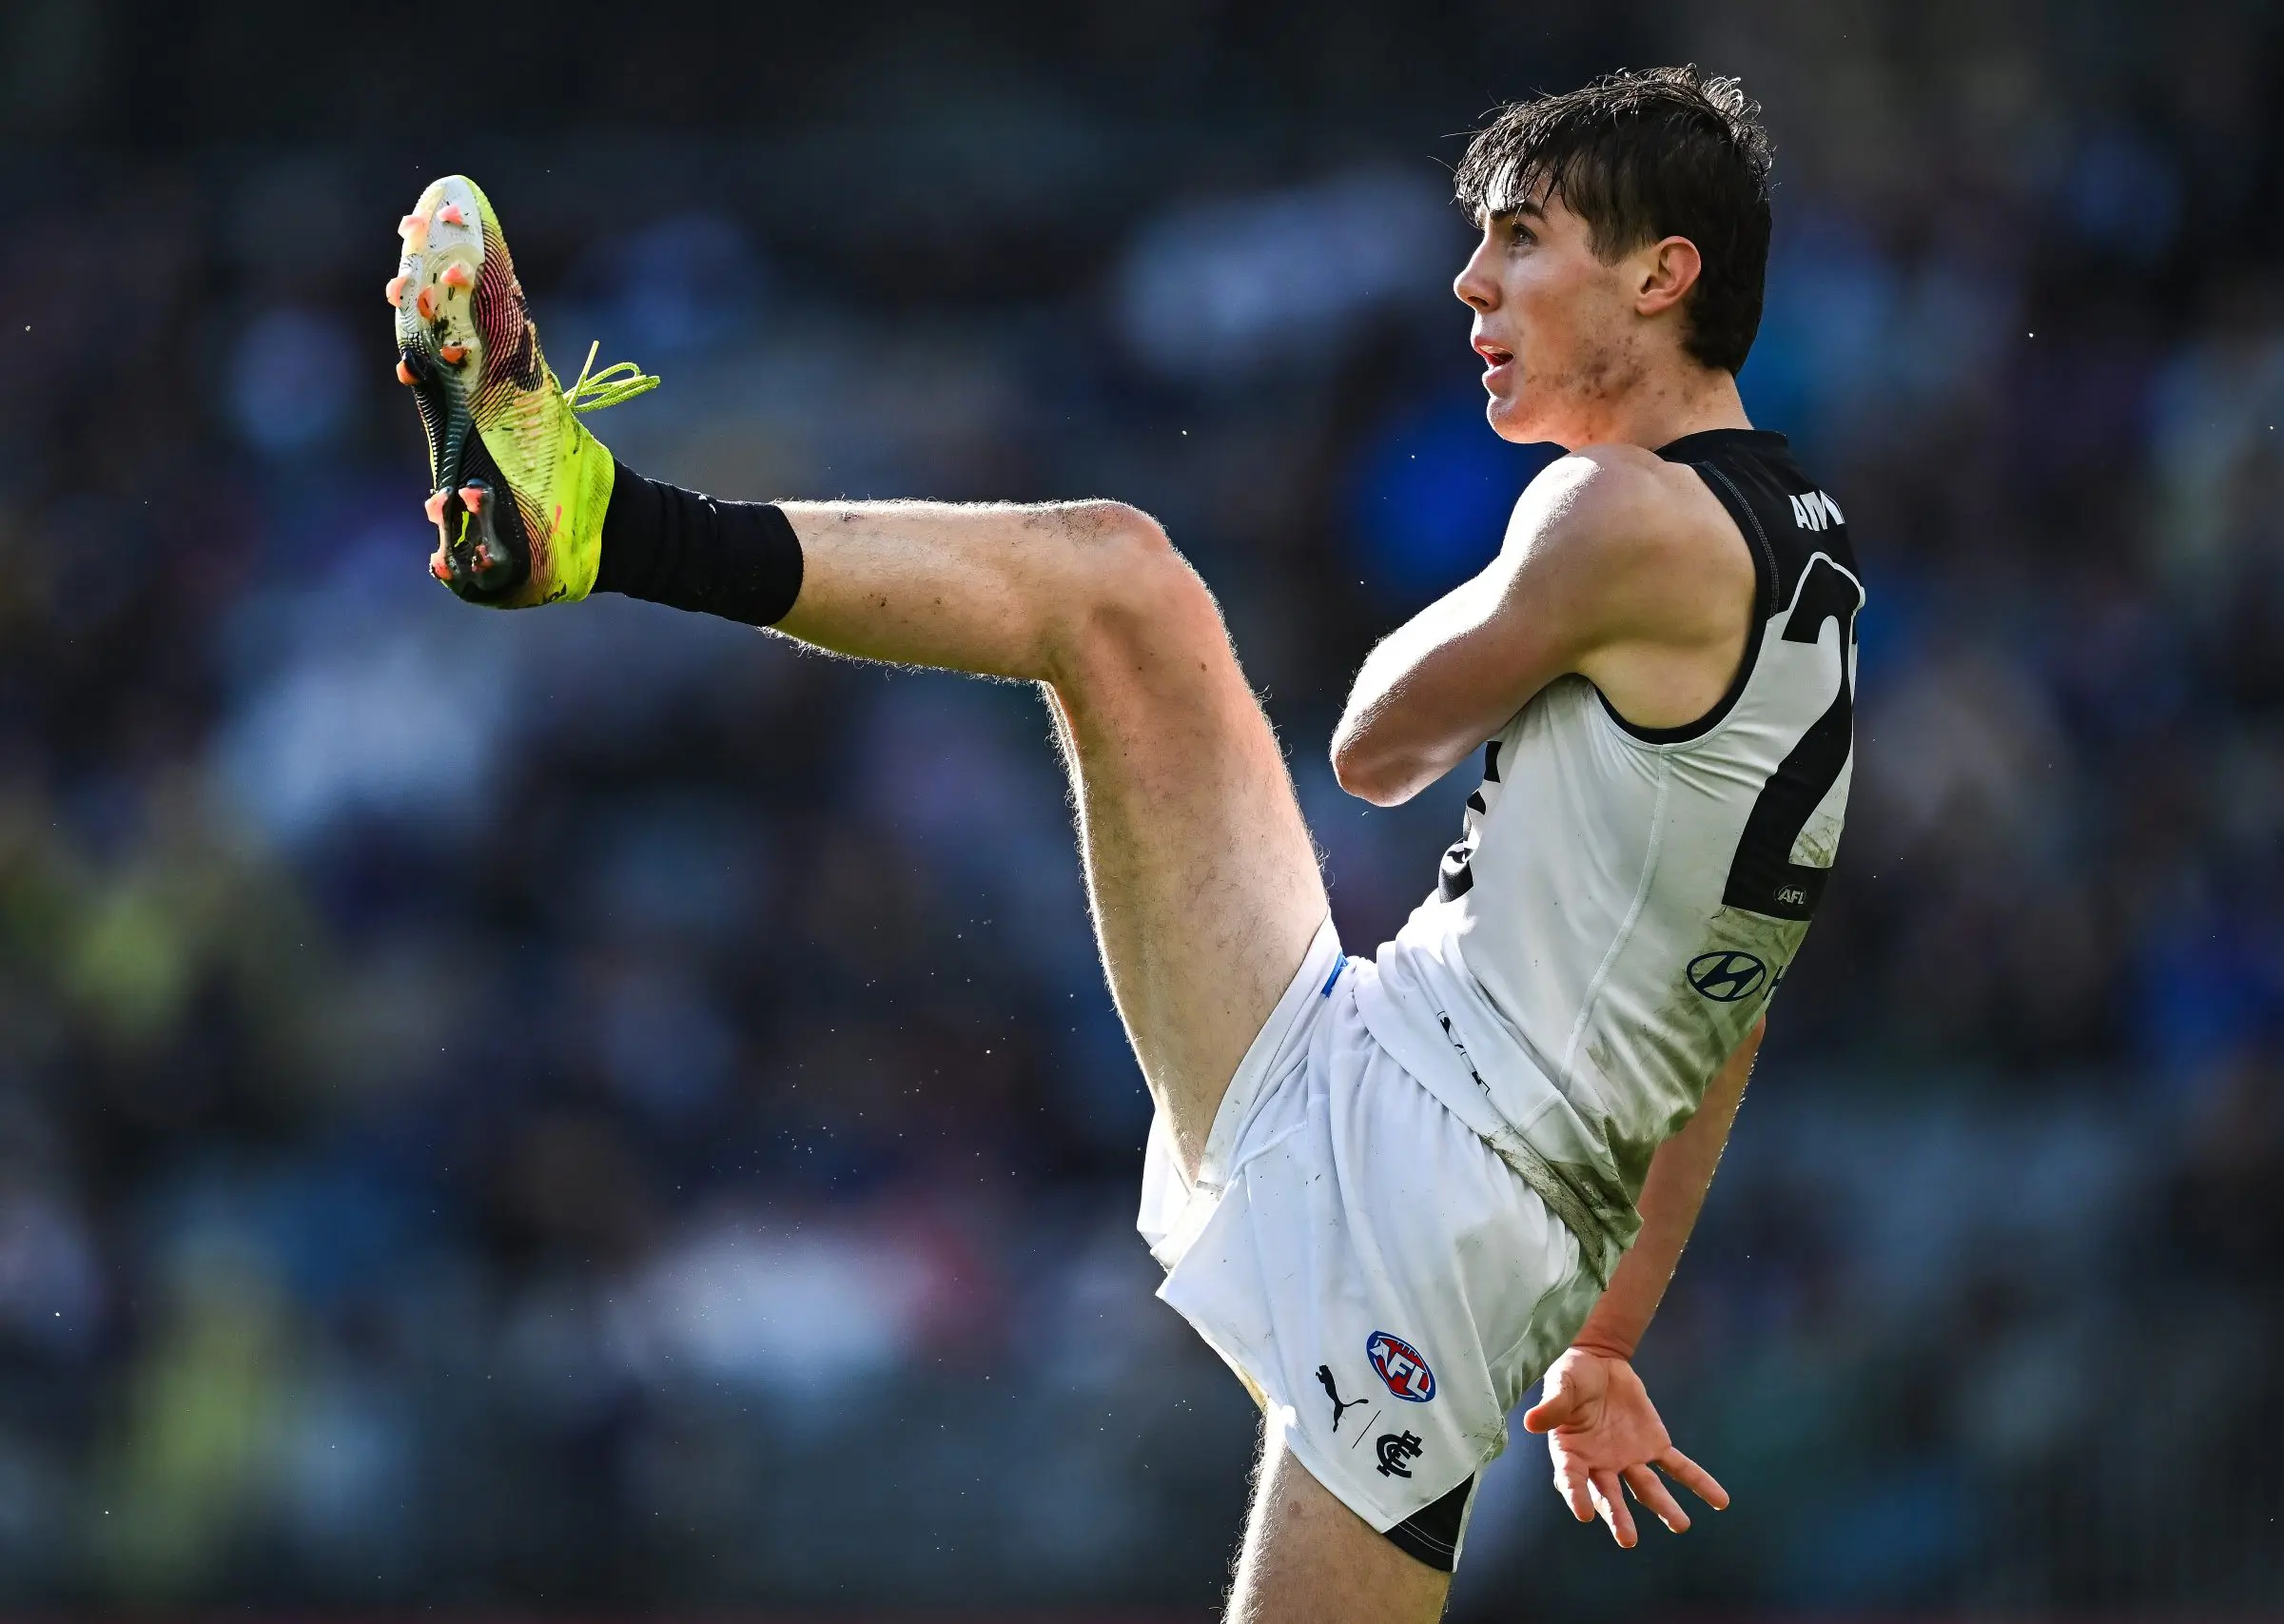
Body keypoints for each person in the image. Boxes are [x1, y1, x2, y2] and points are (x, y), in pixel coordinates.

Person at [384, 64, 1860, 1624]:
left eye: (1523, 238)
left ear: (1660, 276)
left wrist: (1524, 601)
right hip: (1408, 1086)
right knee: (1117, 580)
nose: (1470, 279)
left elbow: (1371, 749)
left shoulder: (1610, 517)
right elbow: (1729, 1011)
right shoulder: (1810, 591)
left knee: (1123, 592)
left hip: (1445, 1190)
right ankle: (590, 512)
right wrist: (1609, 1339)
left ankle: (594, 518)